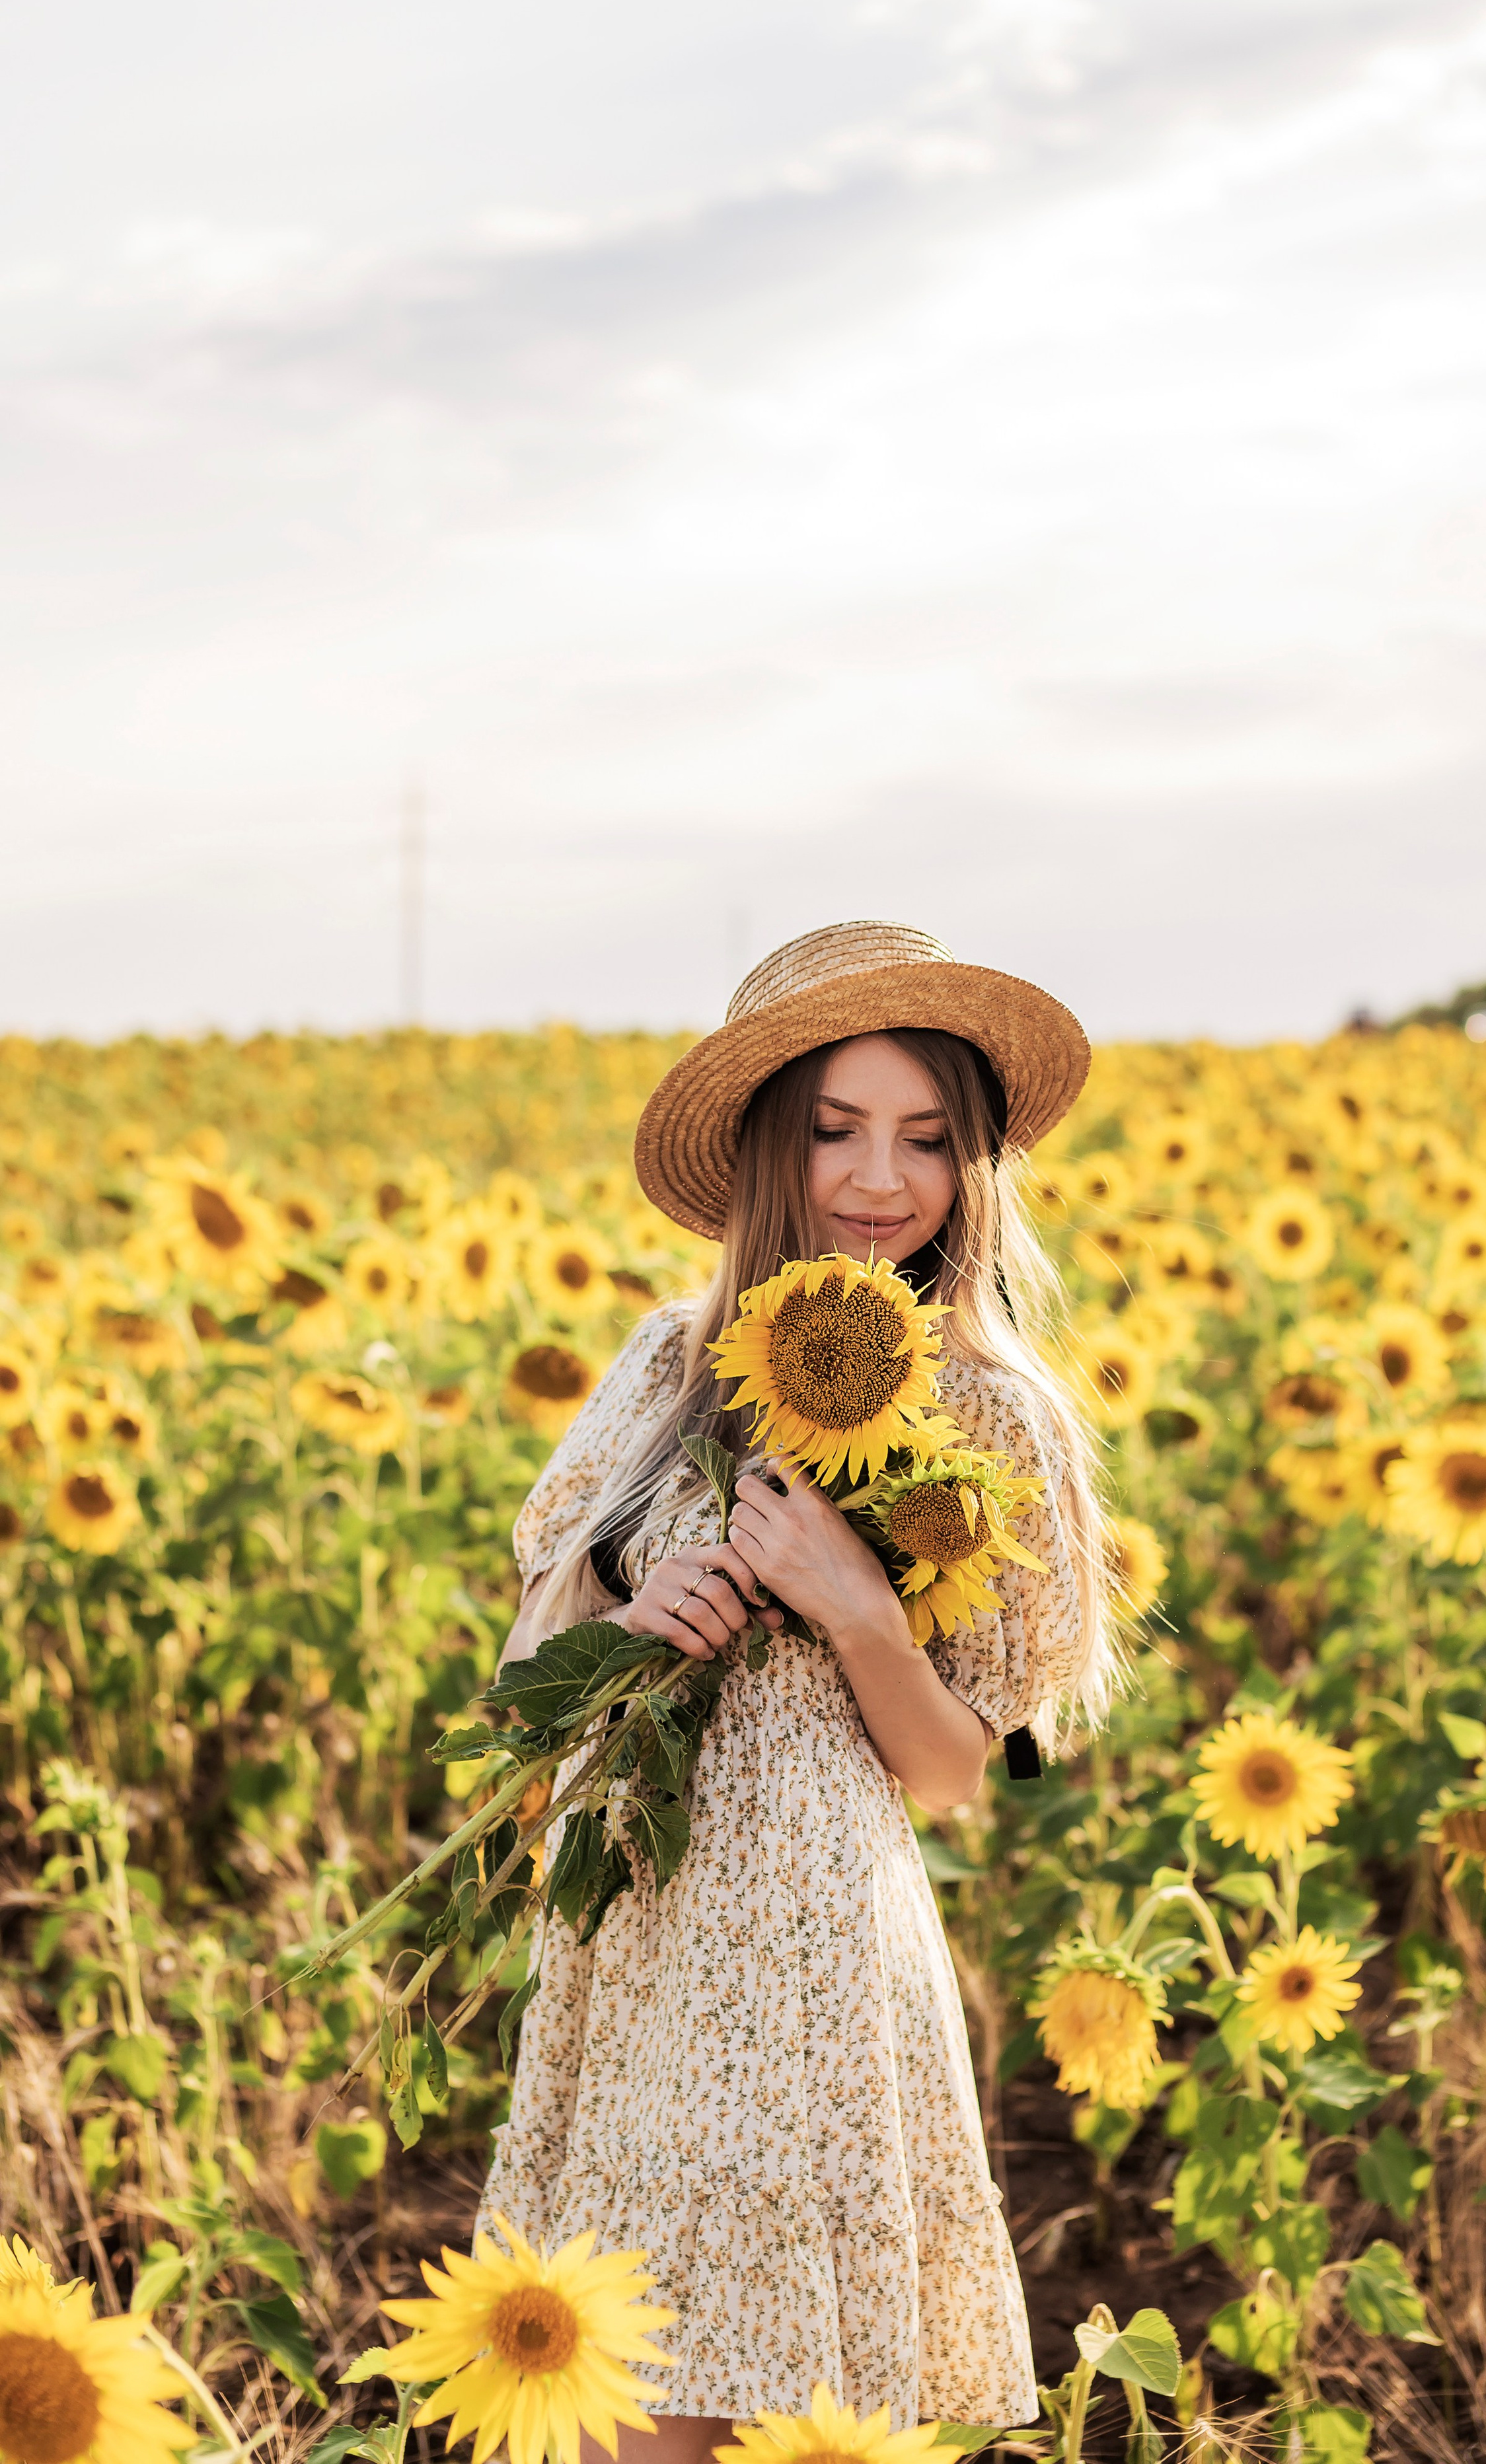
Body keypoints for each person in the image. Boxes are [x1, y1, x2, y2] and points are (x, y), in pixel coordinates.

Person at [480, 920, 1116, 2460]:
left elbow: (954, 1774)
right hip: (641, 1956)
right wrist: (624, 1613)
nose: (879, 1179)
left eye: (926, 1139)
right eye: (836, 1130)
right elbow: (520, 1684)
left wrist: (857, 1612)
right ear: (772, 1144)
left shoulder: (993, 1409)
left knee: (795, 2417)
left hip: (821, 1976)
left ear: (972, 1164)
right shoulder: (663, 1369)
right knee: (621, 2405)